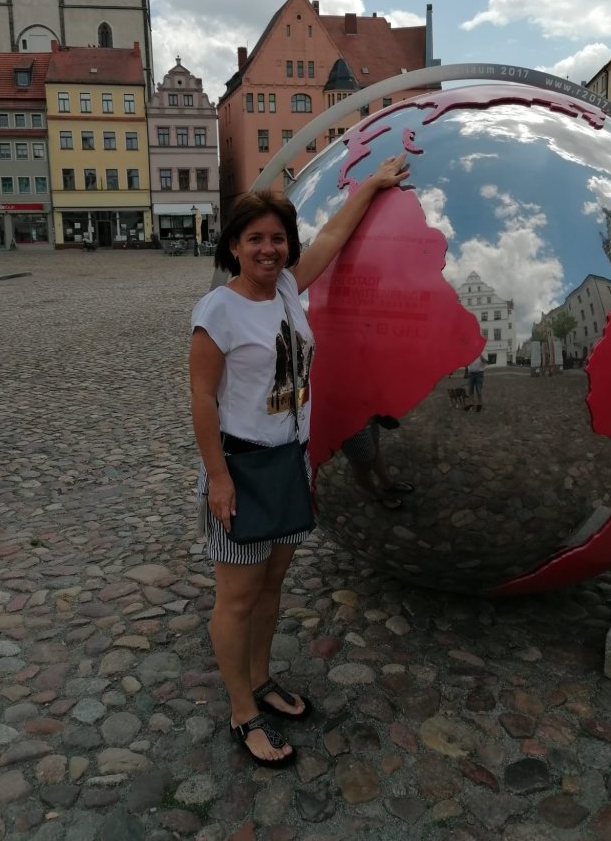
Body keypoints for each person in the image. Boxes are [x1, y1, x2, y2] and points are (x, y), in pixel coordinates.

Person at [190, 154, 409, 769]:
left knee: (271, 587)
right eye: (255, 239)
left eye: (277, 239)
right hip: (242, 469)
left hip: (289, 463)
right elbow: (201, 398)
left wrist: (372, 183)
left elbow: (333, 235)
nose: (268, 249)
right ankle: (242, 712)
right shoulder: (218, 311)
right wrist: (218, 479)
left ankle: (261, 680)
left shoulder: (286, 287)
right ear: (234, 247)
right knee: (236, 599)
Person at [341, 415, 414, 509]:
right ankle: (376, 495)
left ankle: (388, 485)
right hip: (349, 424)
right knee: (362, 465)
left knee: (376, 452)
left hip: (368, 414)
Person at [464, 346, 488, 411]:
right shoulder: (470, 351)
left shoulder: (483, 350)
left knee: (478, 391)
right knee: (470, 390)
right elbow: (467, 362)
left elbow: (486, 361)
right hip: (471, 374)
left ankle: (479, 405)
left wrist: (479, 353)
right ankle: (471, 404)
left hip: (479, 374)